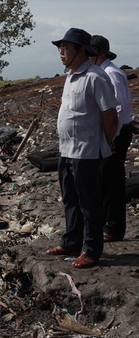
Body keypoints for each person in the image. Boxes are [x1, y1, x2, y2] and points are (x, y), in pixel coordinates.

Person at [46, 28, 118, 268]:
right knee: (70, 199)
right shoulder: (70, 76)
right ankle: (71, 242)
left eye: (65, 48)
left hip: (86, 151)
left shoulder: (96, 77)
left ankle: (92, 249)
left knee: (89, 202)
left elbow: (110, 113)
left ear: (81, 51)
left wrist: (107, 141)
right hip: (66, 150)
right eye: (60, 48)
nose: (61, 53)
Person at [90, 35, 133, 242]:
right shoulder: (107, 72)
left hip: (116, 133)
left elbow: (118, 108)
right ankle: (109, 225)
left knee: (111, 181)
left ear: (101, 53)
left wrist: (111, 138)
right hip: (115, 132)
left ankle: (113, 228)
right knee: (107, 180)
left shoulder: (110, 74)